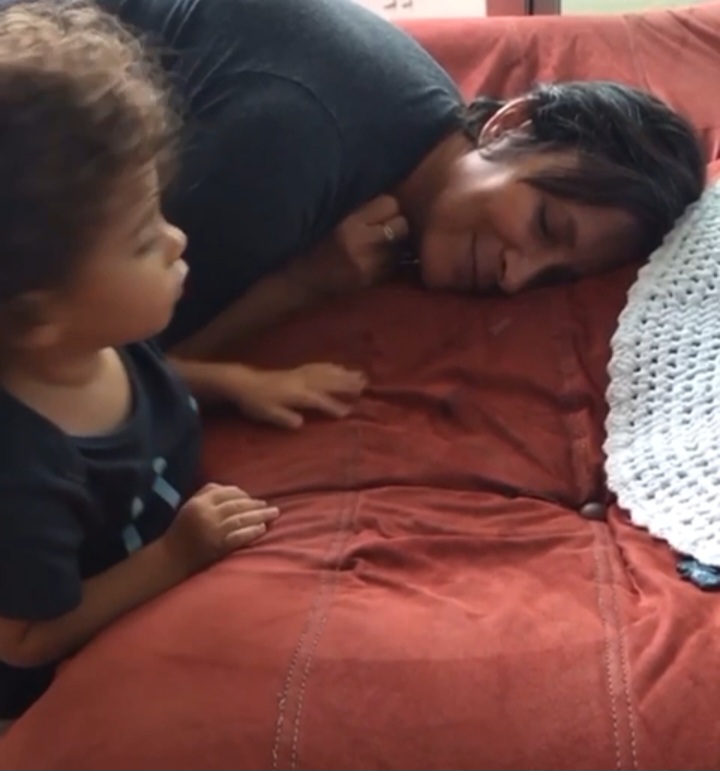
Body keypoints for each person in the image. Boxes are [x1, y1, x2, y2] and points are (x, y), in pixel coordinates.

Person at [92, 0, 706, 430]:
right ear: (509, 125)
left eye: (552, 275)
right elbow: (101, 369)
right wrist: (303, 285)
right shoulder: (297, 150)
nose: (515, 277)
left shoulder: (417, 115)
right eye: (545, 225)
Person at [0, 0, 281, 720]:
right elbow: (23, 640)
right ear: (38, 315)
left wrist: (237, 383)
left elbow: (145, 377)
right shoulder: (23, 471)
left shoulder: (86, 339)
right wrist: (172, 558)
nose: (176, 240)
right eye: (141, 240)